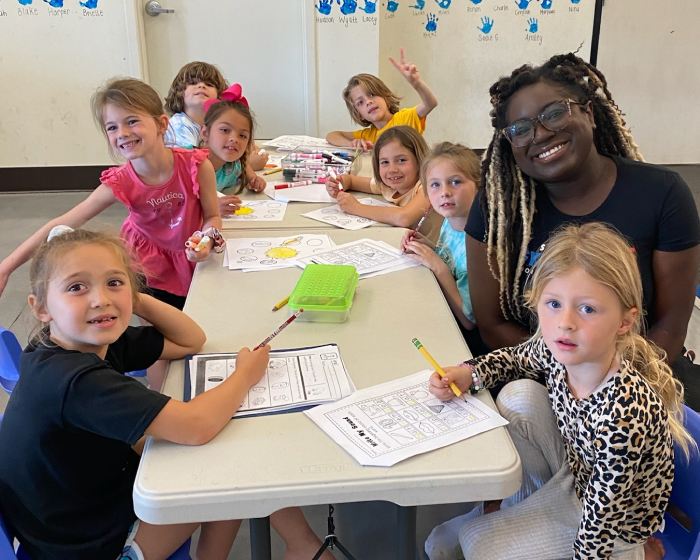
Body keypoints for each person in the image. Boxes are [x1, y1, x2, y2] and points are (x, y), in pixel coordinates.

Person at [0, 228, 338, 560]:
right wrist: (244, 375)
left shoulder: (79, 339)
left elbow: (191, 340)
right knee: (229, 461)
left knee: (222, 443)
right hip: (91, 545)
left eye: (114, 282)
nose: (100, 299)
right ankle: (301, 547)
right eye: (77, 287)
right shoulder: (76, 381)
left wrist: (132, 298)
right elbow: (196, 425)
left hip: (85, 505)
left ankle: (301, 547)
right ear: (41, 307)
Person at [425, 222, 695, 560]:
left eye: (587, 309)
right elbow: (515, 359)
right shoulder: (560, 351)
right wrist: (470, 373)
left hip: (613, 524)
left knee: (476, 544)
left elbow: (600, 521)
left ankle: (634, 554)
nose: (565, 322)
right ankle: (522, 504)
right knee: (518, 395)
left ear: (625, 321)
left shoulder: (623, 416)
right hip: (576, 474)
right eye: (553, 304)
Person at [465, 53, 700, 409]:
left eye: (555, 112)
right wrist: (569, 378)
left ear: (588, 113)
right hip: (534, 374)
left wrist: (610, 386)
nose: (541, 134)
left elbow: (669, 325)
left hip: (638, 380)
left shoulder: (662, 194)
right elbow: (493, 325)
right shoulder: (498, 210)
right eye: (521, 129)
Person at [401, 142, 480, 331]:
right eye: (435, 184)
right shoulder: (451, 219)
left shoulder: (480, 244)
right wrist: (426, 246)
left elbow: (469, 322)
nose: (445, 192)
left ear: (479, 186)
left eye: (456, 182)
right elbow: (452, 259)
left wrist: (437, 266)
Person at [326, 126, 440, 230]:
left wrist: (356, 208)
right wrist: (340, 183)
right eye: (385, 162)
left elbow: (403, 218)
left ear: (420, 159)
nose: (392, 170)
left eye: (401, 160)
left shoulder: (428, 187)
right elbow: (351, 181)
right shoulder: (388, 186)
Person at [325, 48, 438, 150]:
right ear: (360, 115)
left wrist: (416, 83)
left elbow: (430, 103)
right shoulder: (368, 136)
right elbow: (331, 135)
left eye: (372, 94)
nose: (368, 102)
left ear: (386, 97)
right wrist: (352, 144)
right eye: (360, 102)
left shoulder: (404, 118)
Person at [164, 61, 268, 170]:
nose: (201, 86)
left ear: (219, 94)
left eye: (209, 84)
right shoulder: (178, 126)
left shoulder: (220, 122)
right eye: (193, 83)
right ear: (179, 92)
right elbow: (192, 166)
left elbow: (245, 145)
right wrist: (247, 166)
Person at [198, 85, 267, 217]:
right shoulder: (187, 163)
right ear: (205, 133)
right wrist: (210, 208)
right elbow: (175, 204)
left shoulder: (232, 165)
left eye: (242, 135)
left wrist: (253, 179)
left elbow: (243, 166)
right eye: (225, 130)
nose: (234, 139)